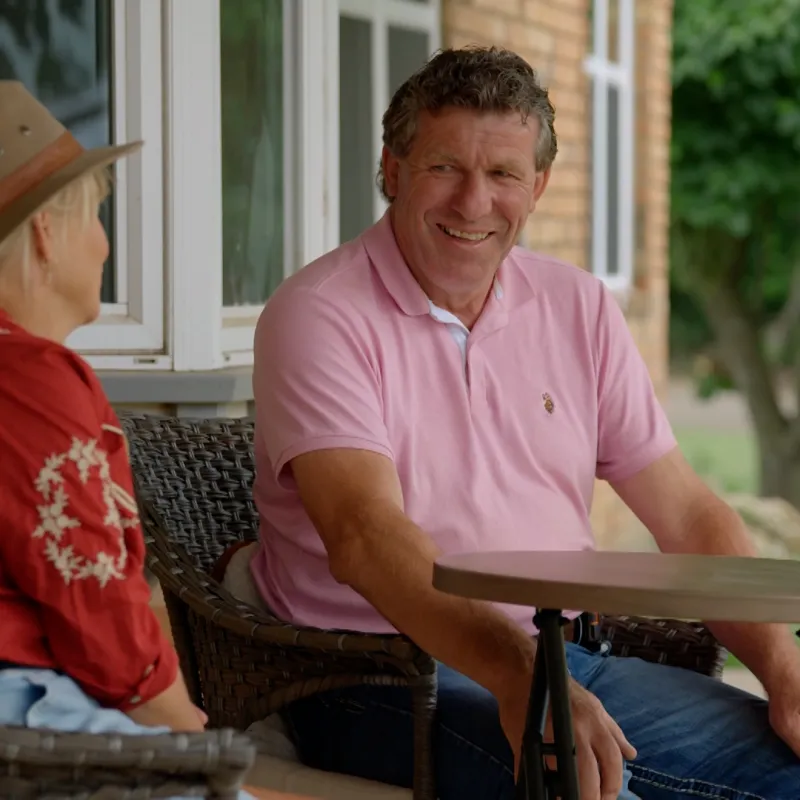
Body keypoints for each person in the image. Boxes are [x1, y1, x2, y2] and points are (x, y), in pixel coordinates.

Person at [248, 47, 800, 799]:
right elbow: (365, 537)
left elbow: (689, 512)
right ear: (392, 170)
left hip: (570, 658)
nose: (473, 203)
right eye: (445, 167)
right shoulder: (319, 314)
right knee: (595, 791)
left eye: (504, 174)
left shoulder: (578, 306)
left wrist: (784, 668)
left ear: (536, 187)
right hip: (383, 675)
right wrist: (516, 677)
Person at [0, 82, 256, 800]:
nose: (106, 243)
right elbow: (95, 605)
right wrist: (194, 735)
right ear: (47, 232)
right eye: (96, 218)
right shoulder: (33, 380)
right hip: (31, 719)